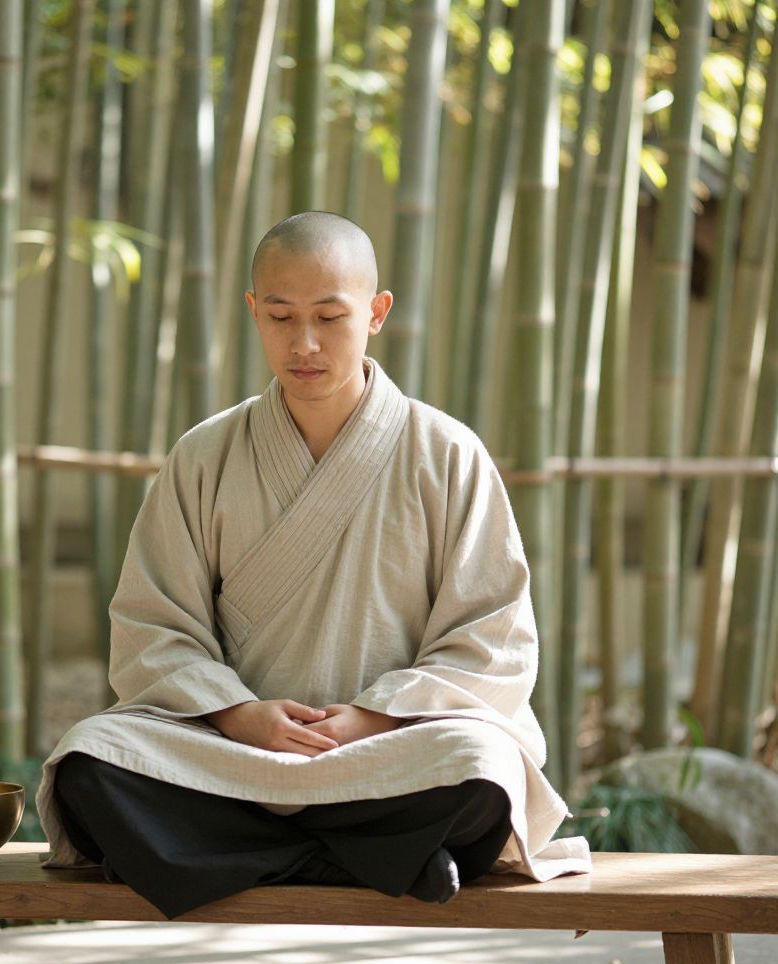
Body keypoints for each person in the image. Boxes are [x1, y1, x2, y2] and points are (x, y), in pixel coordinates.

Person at [36, 211, 590, 919]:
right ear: (252, 312)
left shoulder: (447, 454)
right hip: (232, 756)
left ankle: (241, 857)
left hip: (391, 754)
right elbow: (153, 626)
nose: (304, 343)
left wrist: (371, 720)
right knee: (90, 763)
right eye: (281, 317)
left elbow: (493, 639)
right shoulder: (204, 456)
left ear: (377, 312)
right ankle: (367, 858)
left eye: (330, 317)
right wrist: (238, 716)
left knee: (481, 774)